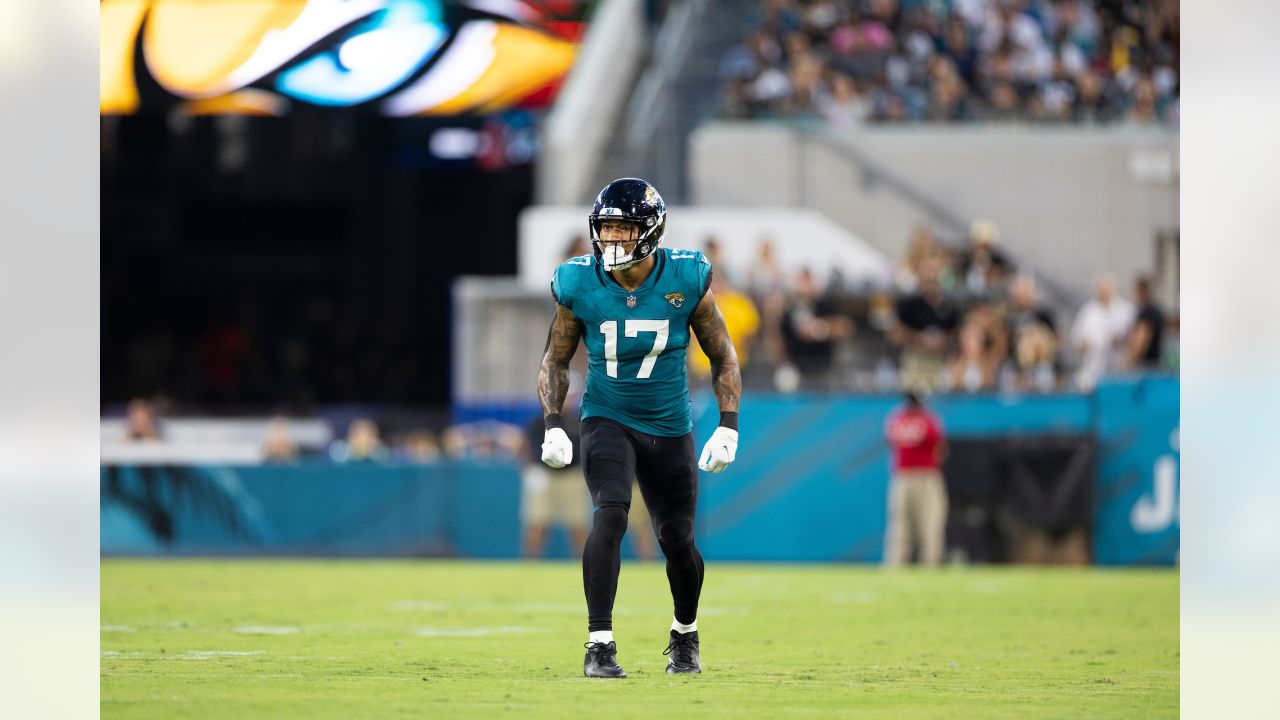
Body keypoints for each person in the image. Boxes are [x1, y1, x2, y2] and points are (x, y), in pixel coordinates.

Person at [537, 178, 742, 679]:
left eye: (622, 230)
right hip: (606, 415)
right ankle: (598, 644)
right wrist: (552, 423)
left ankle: (685, 634)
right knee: (609, 513)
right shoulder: (578, 282)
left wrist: (729, 424)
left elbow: (722, 355)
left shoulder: (686, 278)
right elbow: (555, 359)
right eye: (604, 229)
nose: (611, 241)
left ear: (649, 232)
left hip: (669, 424)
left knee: (677, 538)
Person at [883, 387, 948, 567]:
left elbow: (890, 444)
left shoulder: (895, 420)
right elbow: (940, 449)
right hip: (926, 476)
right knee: (930, 522)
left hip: (902, 476)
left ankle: (896, 564)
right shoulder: (928, 420)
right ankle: (930, 563)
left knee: (899, 524)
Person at [1125, 275, 1165, 370]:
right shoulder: (1156, 309)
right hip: (1154, 362)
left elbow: (1141, 339)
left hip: (1146, 365)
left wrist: (1130, 361)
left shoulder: (1148, 312)